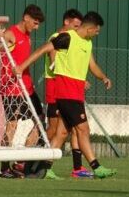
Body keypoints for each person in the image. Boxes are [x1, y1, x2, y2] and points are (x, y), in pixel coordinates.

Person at [17, 11, 116, 180]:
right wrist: (21, 67)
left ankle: (45, 168)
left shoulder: (87, 43)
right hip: (66, 94)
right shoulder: (67, 38)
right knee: (83, 129)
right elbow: (43, 49)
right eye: (97, 31)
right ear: (90, 28)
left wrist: (103, 77)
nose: (97, 34)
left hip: (76, 94)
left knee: (62, 134)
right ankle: (96, 167)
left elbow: (92, 65)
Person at [0, 4, 44, 178]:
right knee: (12, 125)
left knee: (39, 120)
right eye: (35, 23)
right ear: (26, 18)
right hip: (12, 89)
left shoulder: (28, 35)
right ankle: (4, 167)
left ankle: (20, 161)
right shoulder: (11, 34)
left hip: (27, 88)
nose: (37, 27)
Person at [44, 9, 89, 177]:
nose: (77, 29)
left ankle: (77, 168)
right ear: (66, 22)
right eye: (75, 25)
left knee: (72, 130)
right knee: (54, 131)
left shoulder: (75, 40)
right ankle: (31, 161)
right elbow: (53, 58)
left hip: (68, 89)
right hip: (56, 89)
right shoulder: (58, 38)